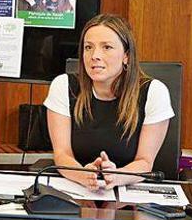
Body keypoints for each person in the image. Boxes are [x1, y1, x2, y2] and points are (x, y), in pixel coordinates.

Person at [45, 14, 174, 190]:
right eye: (88, 47)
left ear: (126, 56)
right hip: (76, 187)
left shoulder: (154, 92)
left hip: (129, 191)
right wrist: (85, 175)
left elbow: (144, 161)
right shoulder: (63, 86)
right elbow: (62, 154)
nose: (95, 55)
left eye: (107, 47)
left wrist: (115, 177)